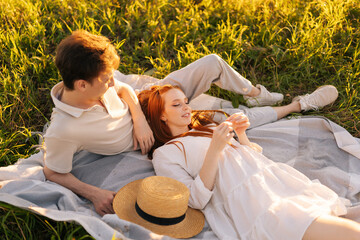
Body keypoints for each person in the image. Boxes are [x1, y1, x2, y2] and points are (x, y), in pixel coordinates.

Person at [42, 29, 335, 217]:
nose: (112, 82)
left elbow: (123, 88)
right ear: (81, 86)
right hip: (158, 132)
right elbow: (53, 172)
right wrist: (94, 194)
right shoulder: (63, 131)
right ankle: (298, 105)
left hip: (148, 106)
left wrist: (137, 116)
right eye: (105, 80)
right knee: (227, 123)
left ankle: (255, 93)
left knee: (211, 62)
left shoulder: (99, 84)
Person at [138, 84, 360, 240]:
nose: (186, 107)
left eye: (186, 102)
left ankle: (299, 104)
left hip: (274, 182)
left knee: (331, 220)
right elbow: (195, 199)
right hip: (252, 200)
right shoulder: (166, 154)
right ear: (161, 115)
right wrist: (215, 149)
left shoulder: (209, 128)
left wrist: (242, 135)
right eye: (176, 105)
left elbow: (254, 157)